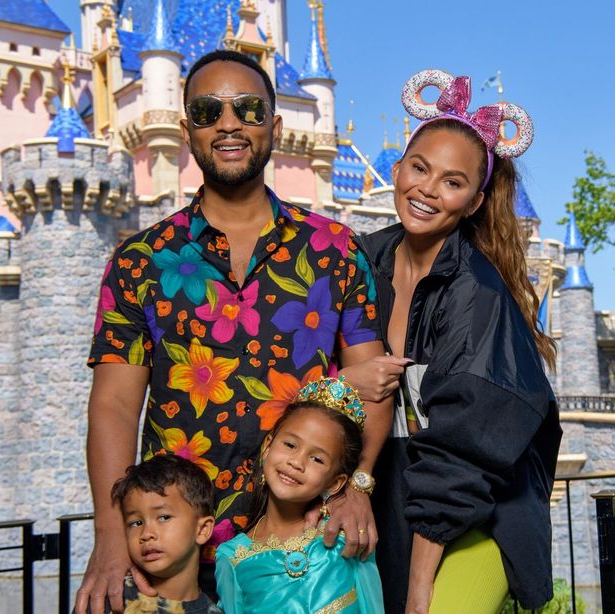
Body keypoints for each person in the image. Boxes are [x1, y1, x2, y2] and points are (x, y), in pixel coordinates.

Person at [78, 50, 391, 614]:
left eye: (247, 109)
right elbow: (115, 408)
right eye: (207, 111)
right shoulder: (140, 260)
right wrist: (108, 533)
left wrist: (359, 487)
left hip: (302, 555)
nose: (228, 124)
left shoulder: (337, 250)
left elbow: (373, 386)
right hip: (171, 561)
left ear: (274, 126)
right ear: (186, 129)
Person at [341, 70, 561, 613]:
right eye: (419, 168)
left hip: (470, 518)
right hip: (377, 497)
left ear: (474, 201)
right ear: (398, 169)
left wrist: (420, 587)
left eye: (452, 182)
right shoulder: (357, 260)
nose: (427, 190)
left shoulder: (476, 293)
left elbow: (464, 452)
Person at [214, 377, 384, 613]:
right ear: (267, 447)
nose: (296, 462)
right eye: (291, 445)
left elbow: (372, 606)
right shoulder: (231, 557)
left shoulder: (346, 538)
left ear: (335, 483)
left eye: (317, 459)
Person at [107, 454, 222, 614]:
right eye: (136, 523)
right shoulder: (111, 599)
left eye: (163, 517)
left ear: (202, 530)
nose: (146, 534)